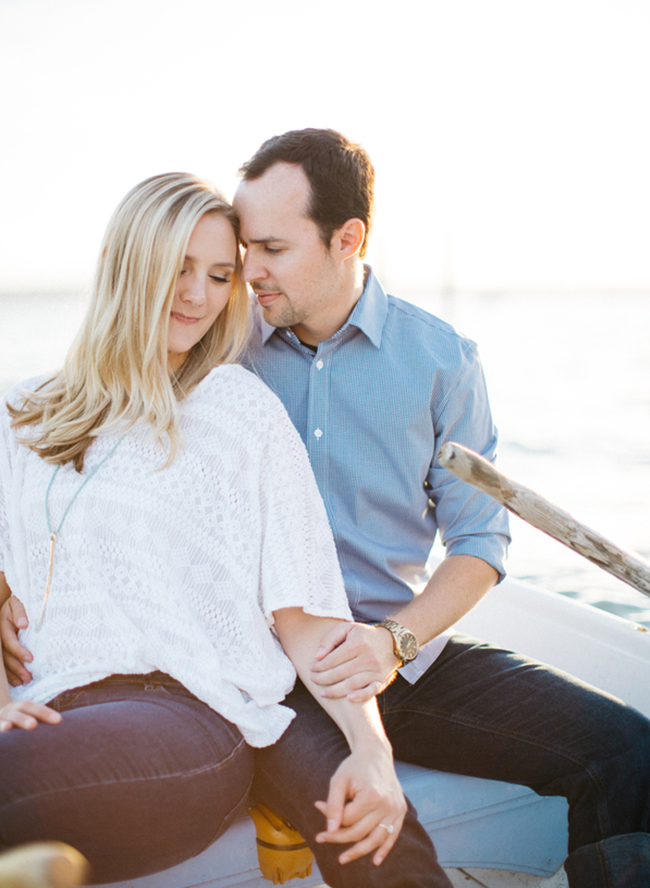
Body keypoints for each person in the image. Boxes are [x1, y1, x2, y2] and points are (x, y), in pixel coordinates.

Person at [222, 129, 648, 888]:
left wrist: (394, 643)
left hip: (398, 659)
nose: (248, 270)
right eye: (244, 246)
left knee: (628, 749)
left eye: (273, 249)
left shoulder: (442, 359)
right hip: (266, 671)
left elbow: (481, 541)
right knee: (371, 830)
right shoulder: (226, 349)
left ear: (347, 238)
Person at [0, 172, 429, 886]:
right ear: (122, 265)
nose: (198, 295)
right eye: (177, 268)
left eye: (220, 275)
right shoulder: (23, 414)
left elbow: (308, 616)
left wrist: (370, 750)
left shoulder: (237, 410)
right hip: (46, 709)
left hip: (187, 719)